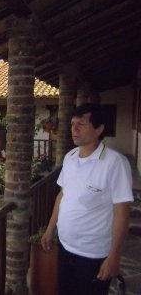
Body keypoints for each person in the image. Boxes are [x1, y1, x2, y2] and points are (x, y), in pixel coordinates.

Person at [41, 103, 133, 295]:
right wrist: (50, 229)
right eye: (73, 123)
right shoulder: (70, 157)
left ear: (99, 129)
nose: (74, 129)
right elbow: (62, 195)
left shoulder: (115, 163)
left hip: (93, 254)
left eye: (81, 124)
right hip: (66, 246)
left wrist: (114, 257)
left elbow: (122, 214)